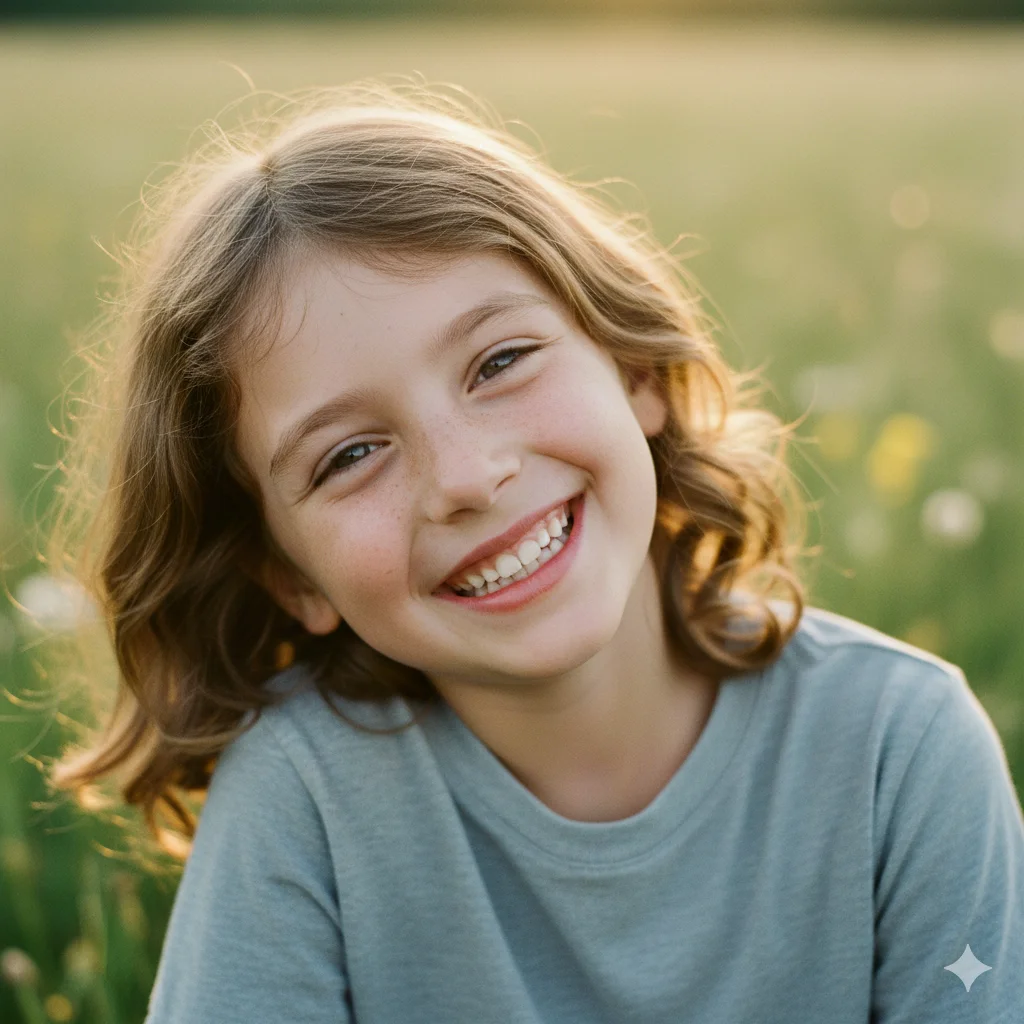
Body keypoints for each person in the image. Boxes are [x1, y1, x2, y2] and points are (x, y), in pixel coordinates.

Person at [46, 80, 1023, 1023]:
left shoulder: (899, 752)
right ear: (291, 573)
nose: (465, 476)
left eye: (500, 361)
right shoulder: (304, 799)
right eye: (349, 455)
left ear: (633, 367)